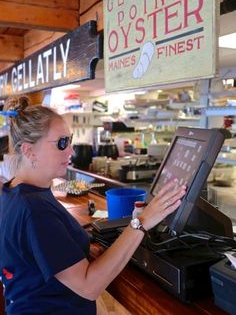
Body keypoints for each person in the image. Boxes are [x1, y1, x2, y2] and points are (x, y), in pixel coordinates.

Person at [0, 95, 186, 315]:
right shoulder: (34, 209)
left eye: (69, 140)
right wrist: (141, 223)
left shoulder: (14, 190)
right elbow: (89, 286)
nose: (70, 151)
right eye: (61, 143)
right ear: (30, 151)